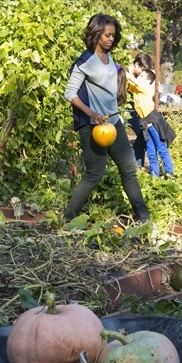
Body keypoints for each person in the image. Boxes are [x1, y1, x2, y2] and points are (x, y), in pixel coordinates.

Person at [63, 14, 150, 223]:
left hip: (114, 123)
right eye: (107, 35)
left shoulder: (109, 57)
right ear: (96, 34)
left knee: (128, 170)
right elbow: (69, 93)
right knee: (95, 173)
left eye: (113, 35)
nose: (111, 39)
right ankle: (67, 219)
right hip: (94, 126)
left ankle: (144, 218)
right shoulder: (85, 62)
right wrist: (91, 113)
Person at [126, 67, 176, 178]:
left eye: (142, 76)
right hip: (145, 124)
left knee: (161, 148)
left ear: (148, 80)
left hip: (153, 122)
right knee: (150, 151)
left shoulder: (145, 87)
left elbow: (131, 78)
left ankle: (170, 173)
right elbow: (127, 82)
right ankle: (154, 176)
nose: (139, 77)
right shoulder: (137, 88)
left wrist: (127, 71)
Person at [127, 52, 154, 168]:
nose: (142, 74)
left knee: (142, 135)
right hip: (124, 109)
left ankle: (137, 164)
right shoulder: (126, 72)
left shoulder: (138, 79)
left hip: (135, 111)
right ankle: (131, 164)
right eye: (142, 70)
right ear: (137, 64)